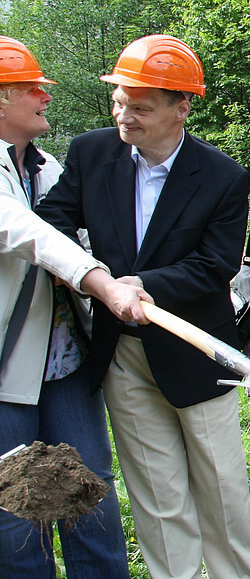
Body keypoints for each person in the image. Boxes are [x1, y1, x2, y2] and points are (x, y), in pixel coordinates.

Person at [36, 34, 250, 579]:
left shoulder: (224, 176)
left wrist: (143, 283)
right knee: (156, 494)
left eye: (140, 106)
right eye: (119, 101)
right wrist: (95, 279)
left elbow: (215, 264)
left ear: (182, 107)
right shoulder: (92, 154)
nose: (124, 115)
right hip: (121, 352)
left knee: (221, 487)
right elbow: (53, 222)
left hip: (194, 349)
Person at [0, 36, 152, 578]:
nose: (45, 95)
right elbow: (28, 233)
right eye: (32, 87)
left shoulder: (42, 167)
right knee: (17, 505)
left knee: (90, 487)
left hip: (64, 360)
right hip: (6, 369)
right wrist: (105, 284)